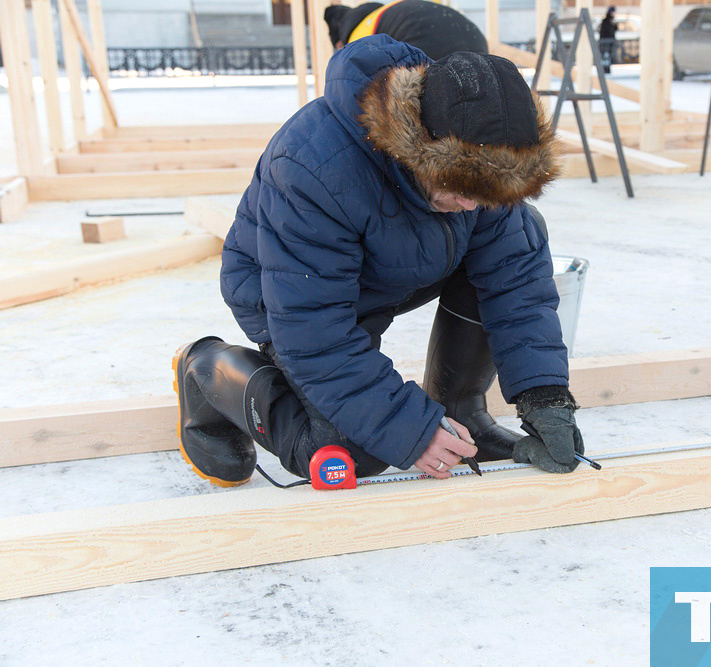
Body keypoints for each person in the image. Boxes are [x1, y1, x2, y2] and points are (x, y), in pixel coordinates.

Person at [173, 35, 585, 487]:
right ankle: (206, 370)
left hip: (394, 269)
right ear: (420, 150)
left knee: (522, 231)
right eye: (461, 189)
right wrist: (409, 428)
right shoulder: (315, 167)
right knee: (355, 453)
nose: (471, 205)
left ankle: (460, 416)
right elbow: (316, 330)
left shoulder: (482, 161)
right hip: (287, 297)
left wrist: (543, 395)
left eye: (485, 194)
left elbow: (516, 285)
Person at [323, 0, 487, 59]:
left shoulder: (358, 35)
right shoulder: (382, 14)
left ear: (339, 42)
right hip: (476, 40)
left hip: (432, 47)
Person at [598, 6, 618, 73]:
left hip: (609, 42)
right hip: (605, 43)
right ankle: (605, 70)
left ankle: (607, 70)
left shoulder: (611, 20)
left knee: (608, 57)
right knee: (605, 57)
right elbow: (606, 32)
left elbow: (615, 29)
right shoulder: (606, 21)